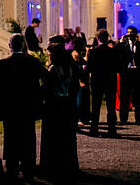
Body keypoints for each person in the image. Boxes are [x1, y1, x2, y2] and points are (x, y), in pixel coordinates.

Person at [0, 34, 47, 183]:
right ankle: (28, 169)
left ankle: (11, 168)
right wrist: (39, 94)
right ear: (24, 45)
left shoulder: (1, 64)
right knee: (28, 137)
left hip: (9, 107)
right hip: (28, 106)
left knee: (11, 137)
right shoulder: (33, 62)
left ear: (9, 46)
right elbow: (48, 79)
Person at [40, 36, 80, 183]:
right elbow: (75, 85)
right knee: (67, 138)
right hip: (68, 104)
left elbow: (46, 89)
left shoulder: (53, 69)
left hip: (54, 106)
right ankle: (68, 166)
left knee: (53, 138)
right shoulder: (71, 66)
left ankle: (53, 167)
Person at [86, 28, 121, 137]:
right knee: (111, 106)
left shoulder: (93, 51)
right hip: (110, 80)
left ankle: (94, 128)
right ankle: (112, 129)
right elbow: (117, 67)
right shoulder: (113, 51)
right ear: (107, 38)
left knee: (96, 106)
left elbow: (90, 68)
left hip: (97, 81)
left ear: (97, 38)